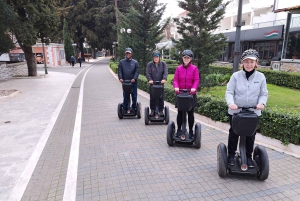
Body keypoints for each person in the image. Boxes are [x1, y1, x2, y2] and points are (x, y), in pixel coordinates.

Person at [225, 49, 268, 168]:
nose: (249, 64)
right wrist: (231, 103)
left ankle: (248, 157)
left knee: (250, 135)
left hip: (253, 112)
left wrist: (262, 103)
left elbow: (263, 93)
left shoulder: (261, 77)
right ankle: (231, 155)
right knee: (234, 133)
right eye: (246, 61)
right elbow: (229, 92)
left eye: (252, 62)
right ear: (242, 63)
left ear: (256, 63)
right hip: (236, 111)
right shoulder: (236, 76)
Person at [173, 49, 200, 139]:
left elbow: (196, 80)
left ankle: (191, 130)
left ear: (191, 59)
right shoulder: (178, 68)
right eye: (184, 57)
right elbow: (175, 79)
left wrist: (193, 88)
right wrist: (176, 87)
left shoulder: (194, 68)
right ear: (182, 58)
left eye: (188, 57)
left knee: (190, 113)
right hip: (180, 94)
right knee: (180, 113)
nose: (186, 59)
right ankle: (179, 129)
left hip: (190, 94)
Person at [146, 50, 168, 117]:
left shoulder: (163, 64)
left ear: (159, 57)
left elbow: (165, 72)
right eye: (154, 57)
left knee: (161, 98)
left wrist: (164, 79)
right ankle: (152, 110)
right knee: (152, 98)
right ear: (153, 57)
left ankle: (161, 110)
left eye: (157, 57)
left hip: (160, 84)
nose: (156, 58)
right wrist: (150, 79)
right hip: (153, 84)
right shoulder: (150, 64)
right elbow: (148, 73)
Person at [118, 47, 140, 113]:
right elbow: (119, 71)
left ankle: (133, 107)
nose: (128, 54)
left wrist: (134, 78)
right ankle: (125, 108)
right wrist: (120, 78)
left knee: (134, 96)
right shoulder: (122, 62)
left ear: (131, 54)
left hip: (133, 82)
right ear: (125, 54)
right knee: (125, 96)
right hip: (125, 83)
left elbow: (137, 71)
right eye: (127, 53)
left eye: (129, 53)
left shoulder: (135, 62)